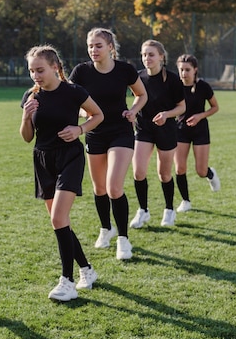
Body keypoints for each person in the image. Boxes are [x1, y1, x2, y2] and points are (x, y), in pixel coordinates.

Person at [20, 45, 104, 301]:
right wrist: (25, 117)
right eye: (32, 70)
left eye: (40, 70)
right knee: (60, 222)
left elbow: (98, 115)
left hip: (70, 157)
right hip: (43, 160)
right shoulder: (30, 96)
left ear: (55, 67)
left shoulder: (73, 91)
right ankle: (87, 270)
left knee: (58, 218)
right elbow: (26, 138)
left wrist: (79, 130)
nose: (35, 75)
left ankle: (67, 281)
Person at [69, 28, 147, 260]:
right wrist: (84, 113)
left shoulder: (125, 70)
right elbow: (71, 96)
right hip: (95, 133)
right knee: (99, 188)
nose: (93, 50)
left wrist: (133, 111)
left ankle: (123, 239)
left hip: (121, 132)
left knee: (114, 187)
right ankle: (106, 229)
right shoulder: (81, 72)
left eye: (98, 45)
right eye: (90, 46)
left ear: (110, 47)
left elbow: (141, 95)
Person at [130, 40, 185, 228]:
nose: (147, 58)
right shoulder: (138, 78)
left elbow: (182, 107)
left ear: (161, 56)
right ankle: (143, 210)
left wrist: (166, 115)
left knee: (164, 174)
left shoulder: (172, 79)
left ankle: (169, 210)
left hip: (166, 130)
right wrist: (131, 112)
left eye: (151, 54)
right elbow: (138, 100)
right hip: (144, 128)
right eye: (144, 54)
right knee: (138, 172)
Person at [174, 54, 220, 213]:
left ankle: (210, 173)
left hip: (200, 130)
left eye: (187, 70)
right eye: (181, 70)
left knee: (200, 171)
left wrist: (200, 116)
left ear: (195, 70)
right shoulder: (175, 86)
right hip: (180, 130)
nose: (184, 73)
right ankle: (185, 201)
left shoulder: (203, 87)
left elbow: (215, 107)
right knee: (179, 168)